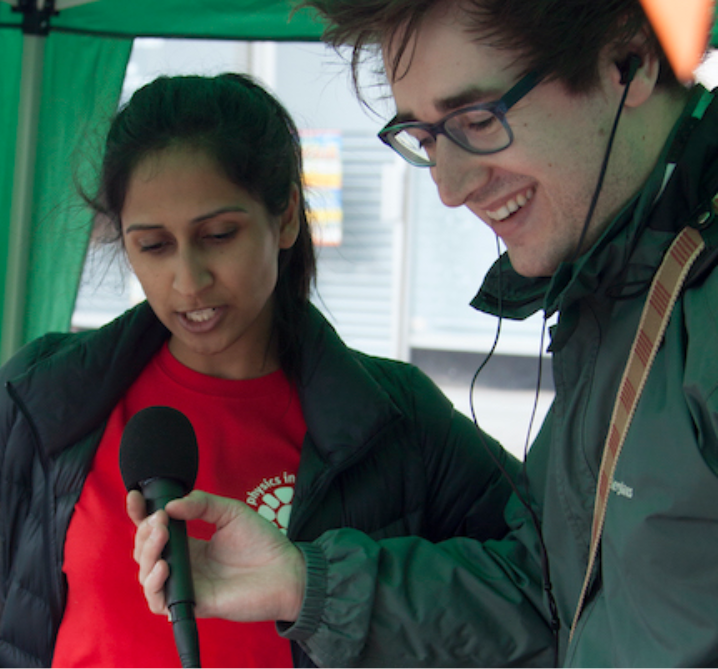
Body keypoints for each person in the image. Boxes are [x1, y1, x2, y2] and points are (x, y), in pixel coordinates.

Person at [0, 72, 521, 669]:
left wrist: (326, 585)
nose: (189, 280)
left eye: (219, 235)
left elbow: (543, 586)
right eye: (153, 246)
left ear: (288, 218)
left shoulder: (394, 423)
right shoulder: (47, 396)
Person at [130, 2, 718, 668]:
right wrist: (303, 582)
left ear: (628, 61)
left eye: (477, 120)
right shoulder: (626, 297)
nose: (451, 186)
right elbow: (540, 598)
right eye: (428, 137)